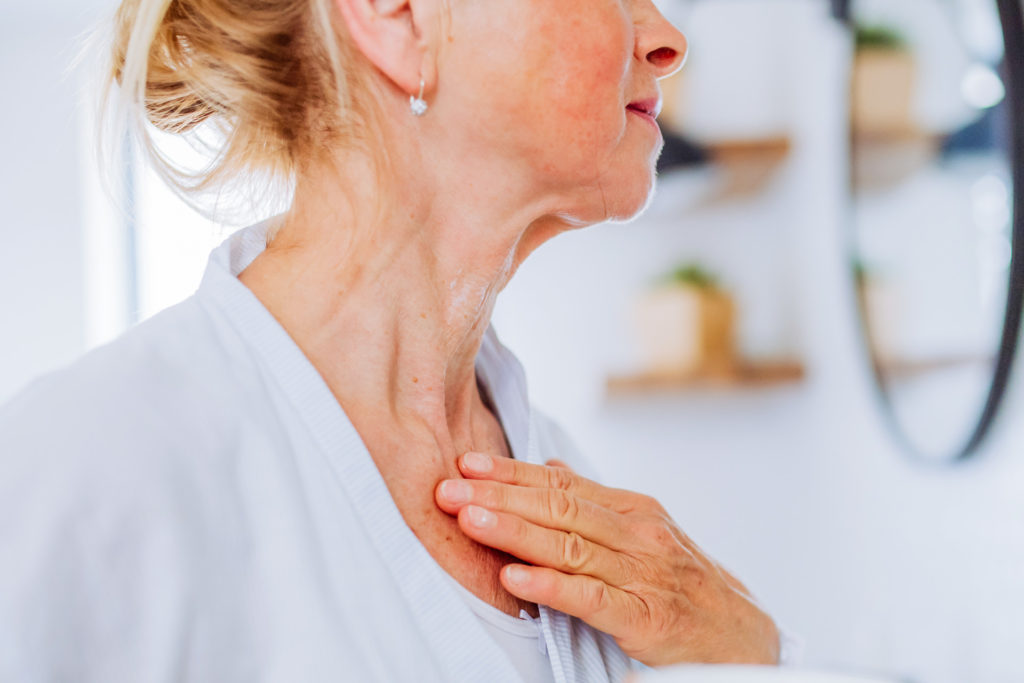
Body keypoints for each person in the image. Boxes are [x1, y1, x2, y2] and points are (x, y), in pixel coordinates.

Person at [0, 0, 799, 680]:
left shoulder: (575, 496)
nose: (666, 36)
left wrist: (747, 653)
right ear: (397, 14)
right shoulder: (88, 467)